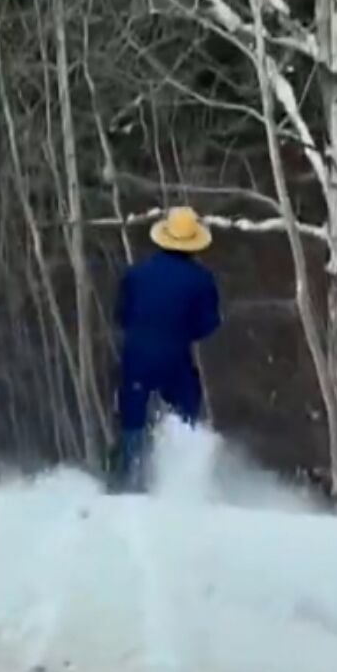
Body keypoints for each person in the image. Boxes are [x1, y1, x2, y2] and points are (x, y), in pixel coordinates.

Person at [112, 206, 221, 491]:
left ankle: (126, 480)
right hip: (175, 358)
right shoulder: (202, 280)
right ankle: (180, 479)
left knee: (132, 419)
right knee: (184, 412)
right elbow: (208, 325)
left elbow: (121, 316)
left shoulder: (136, 275)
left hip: (136, 356)